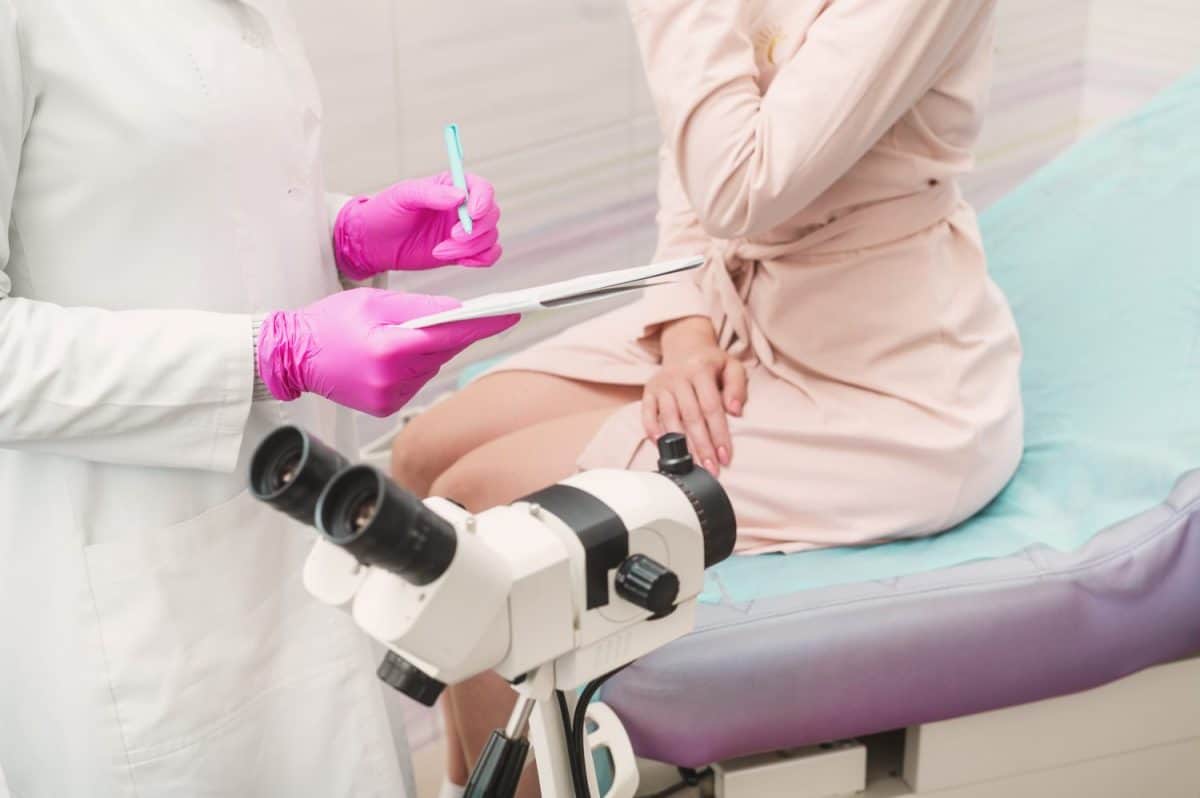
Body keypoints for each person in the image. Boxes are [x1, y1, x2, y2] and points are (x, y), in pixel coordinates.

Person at [390, 0, 1023, 794]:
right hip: (733, 305)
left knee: (488, 522)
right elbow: (699, 142)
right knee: (421, 459)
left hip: (882, 380)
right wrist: (685, 327)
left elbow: (739, 181)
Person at [0, 3, 515, 796]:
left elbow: (180, 206)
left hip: (295, 547)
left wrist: (340, 237)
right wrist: (267, 353)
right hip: (133, 592)